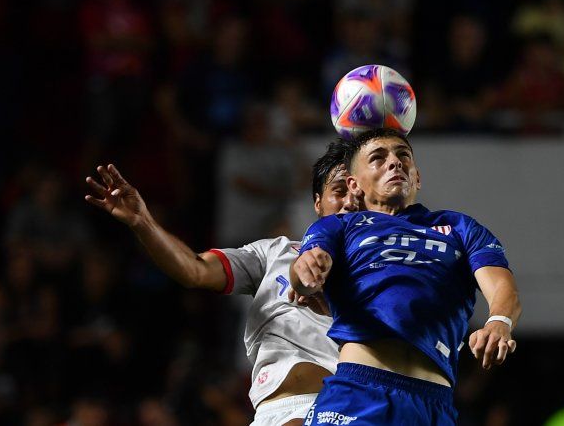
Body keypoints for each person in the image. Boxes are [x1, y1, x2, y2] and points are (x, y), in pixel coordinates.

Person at [84, 142, 359, 426]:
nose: (350, 202)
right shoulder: (273, 253)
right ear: (317, 202)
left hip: (356, 409)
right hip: (281, 413)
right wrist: (143, 222)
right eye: (338, 191)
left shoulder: (394, 270)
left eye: (358, 194)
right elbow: (195, 270)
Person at [291, 128, 522, 425]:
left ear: (417, 177)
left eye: (403, 156)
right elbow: (301, 272)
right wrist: (306, 268)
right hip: (358, 392)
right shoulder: (340, 226)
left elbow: (503, 288)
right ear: (354, 184)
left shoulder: (458, 227)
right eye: (378, 158)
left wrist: (498, 322)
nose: (395, 162)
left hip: (432, 404)